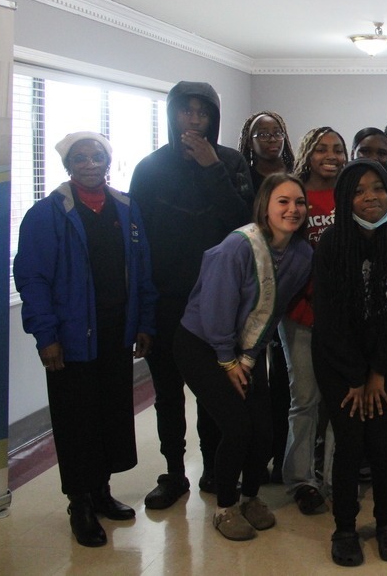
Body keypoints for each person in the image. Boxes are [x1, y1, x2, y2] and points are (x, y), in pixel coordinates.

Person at [14, 131, 157, 547]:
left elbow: (143, 270)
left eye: (97, 156)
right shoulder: (47, 214)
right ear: (67, 165)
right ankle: (79, 503)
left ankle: (101, 492)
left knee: (110, 414)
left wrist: (144, 323)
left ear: (108, 161)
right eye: (81, 157)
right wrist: (46, 337)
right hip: (71, 340)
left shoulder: (127, 208)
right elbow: (33, 279)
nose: (90, 163)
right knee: (76, 421)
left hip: (116, 335)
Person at [129, 81, 253, 509]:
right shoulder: (149, 168)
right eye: (187, 112)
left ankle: (216, 471)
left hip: (219, 302)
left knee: (214, 393)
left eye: (203, 113)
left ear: (214, 119)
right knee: (167, 394)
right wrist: (142, 315)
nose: (195, 120)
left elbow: (243, 221)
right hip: (166, 300)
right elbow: (138, 244)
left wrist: (210, 167)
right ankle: (175, 473)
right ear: (173, 115)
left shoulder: (232, 162)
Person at [174, 174, 313, 541]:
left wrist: (248, 357)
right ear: (265, 206)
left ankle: (252, 498)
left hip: (248, 350)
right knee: (237, 427)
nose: (292, 209)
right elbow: (216, 309)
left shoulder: (301, 254)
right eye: (282, 201)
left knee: (264, 430)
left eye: (299, 202)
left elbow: (275, 311)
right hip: (203, 345)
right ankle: (226, 507)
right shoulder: (237, 247)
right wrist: (228, 360)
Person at [311, 160, 387, 566]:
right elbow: (329, 317)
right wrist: (356, 377)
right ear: (346, 198)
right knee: (350, 444)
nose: (370, 196)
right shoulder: (331, 243)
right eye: (359, 190)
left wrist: (378, 371)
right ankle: (343, 528)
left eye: (377, 188)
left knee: (382, 443)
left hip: (386, 362)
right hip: (339, 363)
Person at [277, 127, 348, 515]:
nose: (331, 155)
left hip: (345, 318)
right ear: (308, 151)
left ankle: (339, 475)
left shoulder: (353, 192)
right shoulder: (295, 192)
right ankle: (302, 480)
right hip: (300, 314)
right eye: (322, 148)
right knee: (304, 399)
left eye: (337, 149)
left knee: (340, 402)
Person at [237, 110, 296, 484]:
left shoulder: (294, 177)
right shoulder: (240, 179)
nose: (271, 139)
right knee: (253, 379)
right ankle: (251, 457)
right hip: (251, 286)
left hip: (290, 281)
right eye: (263, 133)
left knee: (286, 384)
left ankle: (281, 455)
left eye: (277, 132)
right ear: (250, 139)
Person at [237, 111, 296, 193]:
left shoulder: (297, 173)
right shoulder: (246, 179)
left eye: (277, 133)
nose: (272, 139)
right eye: (263, 135)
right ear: (250, 143)